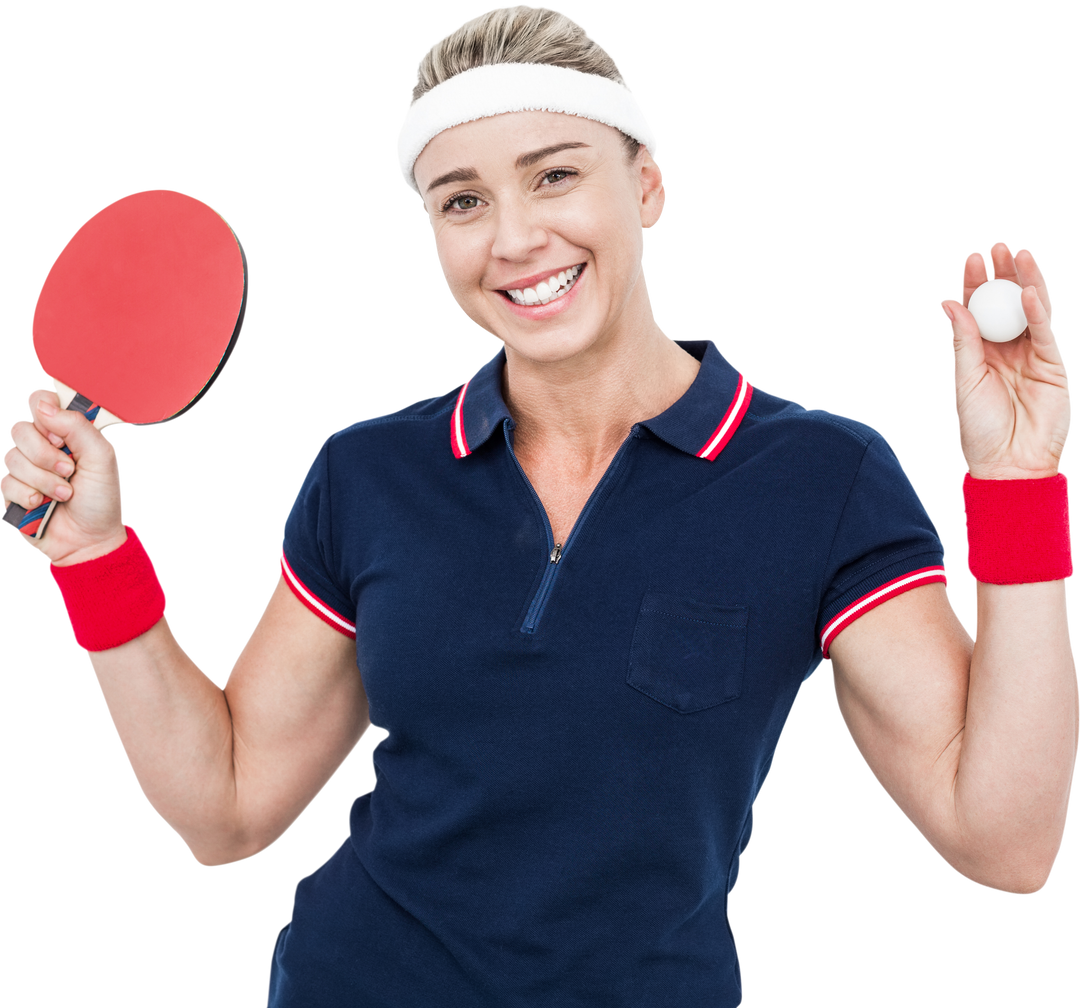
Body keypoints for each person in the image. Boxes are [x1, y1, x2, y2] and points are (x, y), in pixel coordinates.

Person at [2, 5, 1076, 1006]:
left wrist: (1017, 487)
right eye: (461, 200)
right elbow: (226, 810)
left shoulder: (823, 477)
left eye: (554, 175)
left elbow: (1006, 843)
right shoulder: (368, 472)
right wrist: (93, 557)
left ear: (646, 187)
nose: (512, 238)